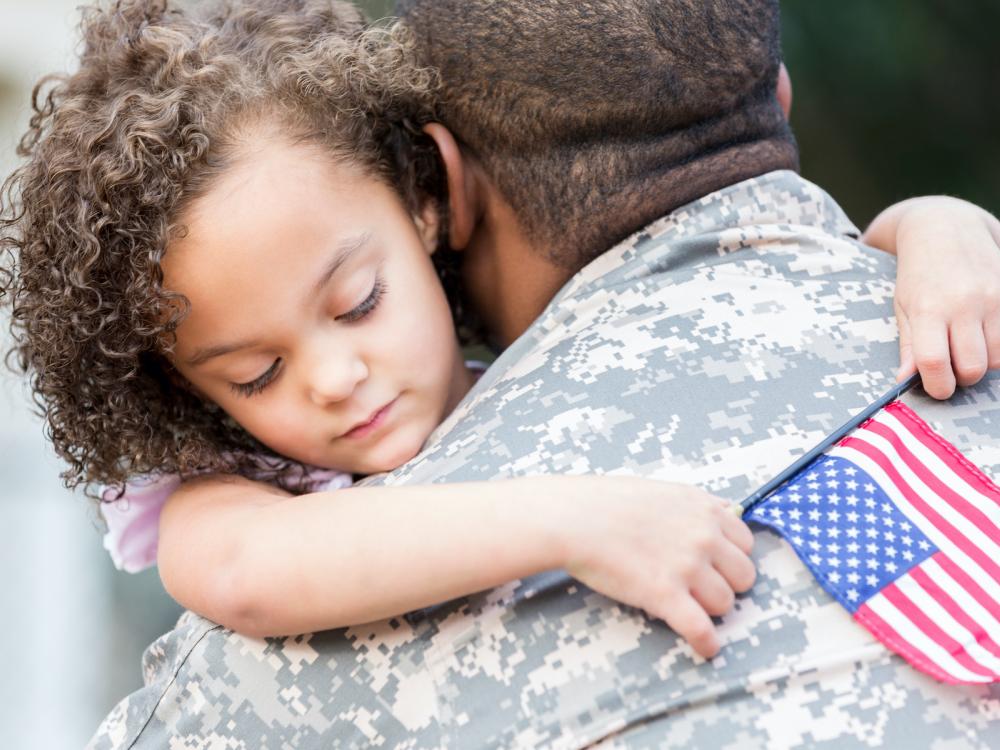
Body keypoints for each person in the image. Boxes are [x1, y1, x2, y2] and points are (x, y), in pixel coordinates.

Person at [0, 1, 995, 748]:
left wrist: (936, 225)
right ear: (181, 390)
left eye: (357, 305)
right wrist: (570, 521)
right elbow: (248, 580)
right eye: (255, 373)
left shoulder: (519, 359)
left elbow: (828, 252)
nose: (336, 377)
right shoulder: (238, 505)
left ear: (428, 200)